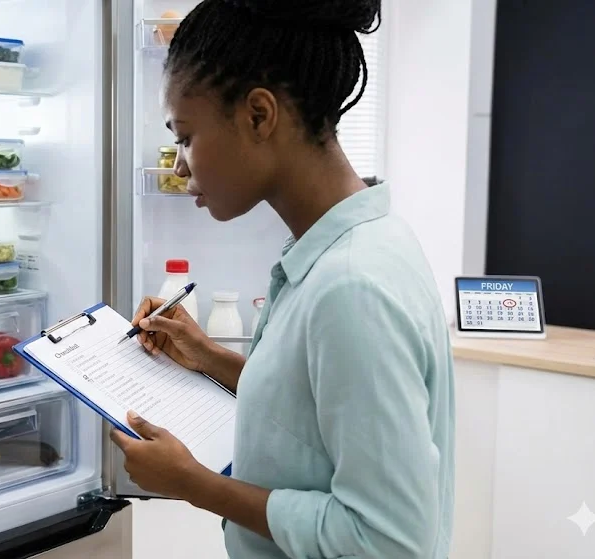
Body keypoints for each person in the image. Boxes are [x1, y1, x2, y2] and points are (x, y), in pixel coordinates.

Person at [109, 1, 455, 558]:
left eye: (186, 136)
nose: (178, 166)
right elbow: (314, 412)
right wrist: (208, 357)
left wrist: (195, 484)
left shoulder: (351, 287)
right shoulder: (355, 242)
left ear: (259, 116)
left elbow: (387, 541)